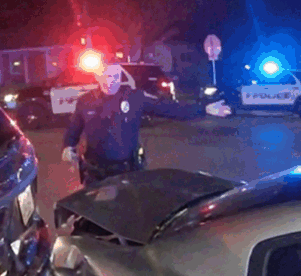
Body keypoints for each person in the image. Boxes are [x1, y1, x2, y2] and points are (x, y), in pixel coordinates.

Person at [62, 63, 233, 188]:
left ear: (120, 76)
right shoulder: (85, 101)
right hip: (94, 173)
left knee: (131, 216)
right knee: (95, 218)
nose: (110, 81)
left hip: (128, 171)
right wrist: (67, 147)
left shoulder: (134, 97)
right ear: (97, 77)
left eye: (115, 76)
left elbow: (170, 108)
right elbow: (74, 129)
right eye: (105, 76)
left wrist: (204, 109)